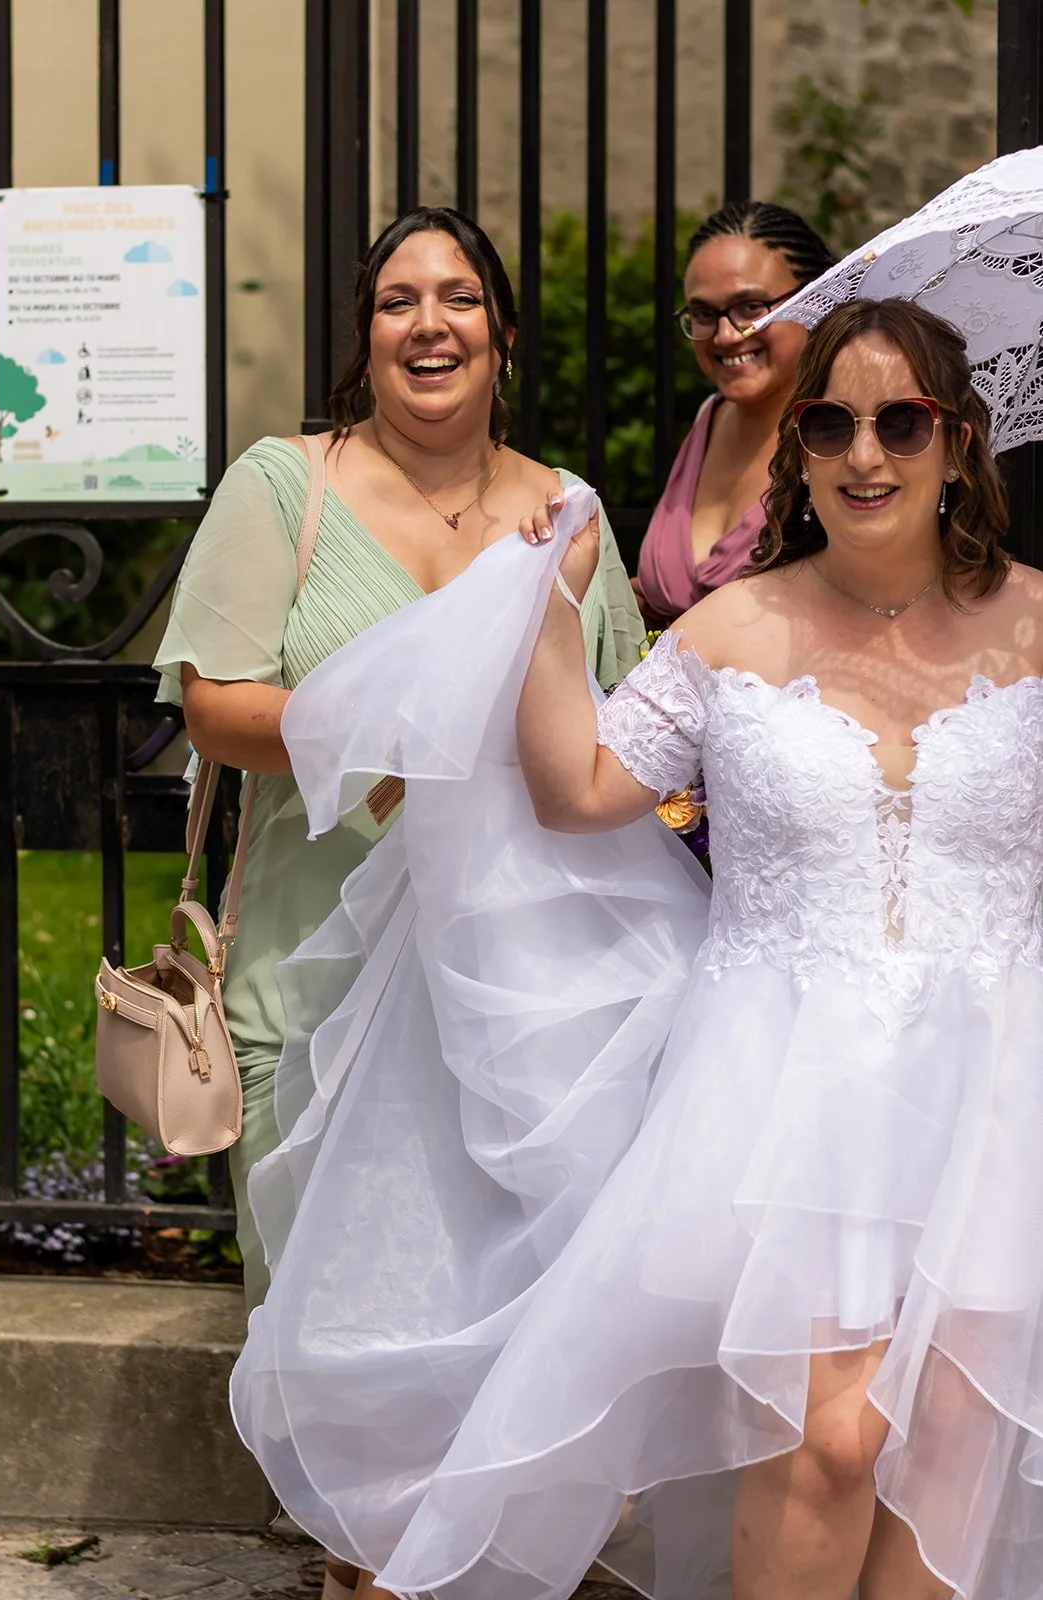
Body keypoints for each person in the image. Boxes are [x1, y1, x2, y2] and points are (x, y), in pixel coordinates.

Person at [230, 295, 1043, 1600]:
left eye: (900, 420)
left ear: (956, 442)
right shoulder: (733, 629)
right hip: (793, 1097)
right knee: (828, 1437)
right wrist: (547, 612)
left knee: (954, 1432)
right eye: (827, 420)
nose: (862, 453)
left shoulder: (1033, 622)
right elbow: (585, 791)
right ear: (796, 444)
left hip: (1001, 1092)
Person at [152, 204, 644, 1600]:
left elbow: (616, 731)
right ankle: (357, 1566)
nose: (428, 323)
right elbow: (212, 699)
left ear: (501, 332)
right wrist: (389, 748)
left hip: (510, 1004)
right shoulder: (283, 486)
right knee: (337, 1334)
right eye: (394, 301)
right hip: (310, 989)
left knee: (498, 1324)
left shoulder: (565, 513)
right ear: (363, 339)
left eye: (457, 298)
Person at [634, 201, 834, 627]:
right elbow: (674, 602)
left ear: (812, 299)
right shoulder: (711, 416)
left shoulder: (841, 435)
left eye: (751, 307)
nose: (725, 335)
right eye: (704, 314)